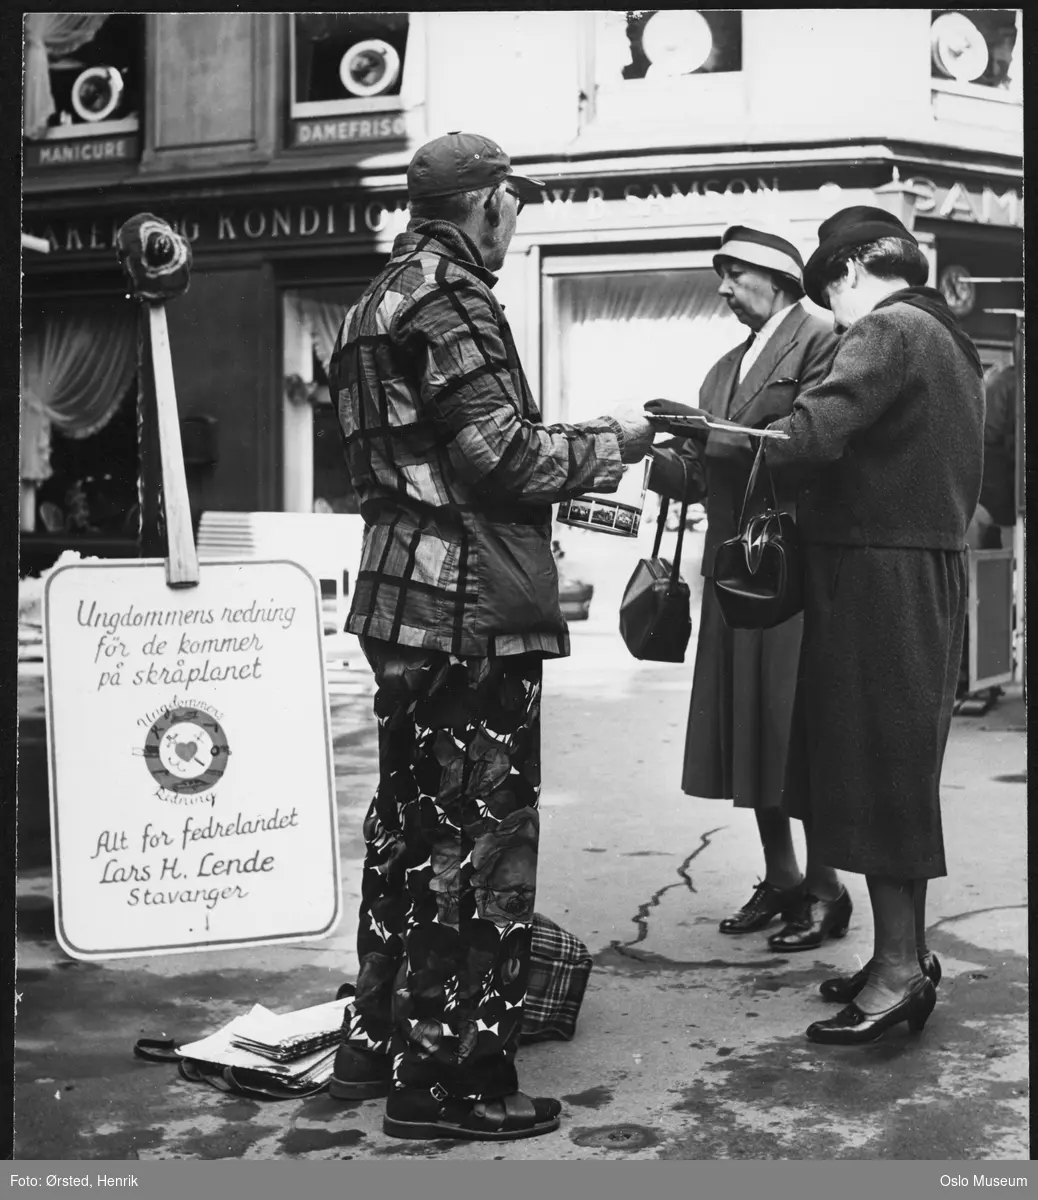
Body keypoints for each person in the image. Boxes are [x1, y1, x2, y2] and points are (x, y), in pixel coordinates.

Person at [326, 131, 656, 1140]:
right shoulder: (451, 297)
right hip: (467, 612)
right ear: (485, 206)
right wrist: (619, 440)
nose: (516, 222)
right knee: (480, 849)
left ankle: (377, 1042)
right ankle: (455, 1079)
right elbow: (500, 455)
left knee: (408, 834)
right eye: (513, 204)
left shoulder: (370, 301)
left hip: (402, 607)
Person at [763, 206, 985, 1045]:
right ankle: (905, 956)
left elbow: (811, 432)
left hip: (877, 576)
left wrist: (713, 440)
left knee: (879, 770)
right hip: (918, 569)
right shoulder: (948, 335)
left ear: (851, 270)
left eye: (830, 293)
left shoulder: (886, 328)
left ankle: (896, 973)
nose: (835, 314)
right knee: (899, 768)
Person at [646, 223, 847, 950]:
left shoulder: (824, 336)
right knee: (753, 728)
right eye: (720, 275)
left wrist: (713, 438)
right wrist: (664, 454)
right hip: (735, 567)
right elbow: (708, 475)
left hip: (792, 567)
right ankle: (784, 876)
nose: (723, 289)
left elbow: (816, 440)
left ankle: (827, 889)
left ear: (779, 276)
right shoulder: (725, 366)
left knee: (798, 728)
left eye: (734, 273)